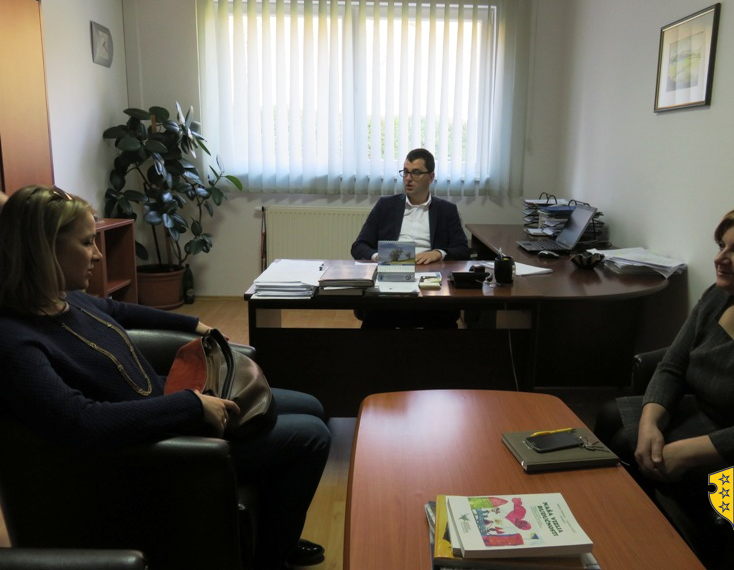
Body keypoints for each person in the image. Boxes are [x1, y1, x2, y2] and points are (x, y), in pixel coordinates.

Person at [0, 185, 330, 570]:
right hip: (153, 445)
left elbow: (119, 311)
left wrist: (195, 324)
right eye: (87, 243)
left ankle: (276, 529)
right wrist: (191, 406)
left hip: (166, 404)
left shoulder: (61, 297)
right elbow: (80, 421)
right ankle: (269, 558)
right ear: (43, 250)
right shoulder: (15, 341)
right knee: (312, 435)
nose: (98, 254)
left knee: (311, 406)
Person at [594, 203, 734, 567]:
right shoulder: (719, 295)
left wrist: (686, 452)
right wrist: (650, 424)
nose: (720, 258)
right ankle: (623, 537)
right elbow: (672, 366)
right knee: (620, 425)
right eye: (721, 245)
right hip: (708, 416)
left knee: (648, 455)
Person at [350, 148, 470, 328]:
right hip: (391, 276)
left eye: (416, 173)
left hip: (429, 278)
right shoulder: (386, 206)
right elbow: (359, 246)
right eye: (405, 172)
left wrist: (438, 253)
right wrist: (379, 257)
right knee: (375, 319)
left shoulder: (446, 210)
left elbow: (463, 250)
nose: (408, 178)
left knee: (443, 321)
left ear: (430, 177)